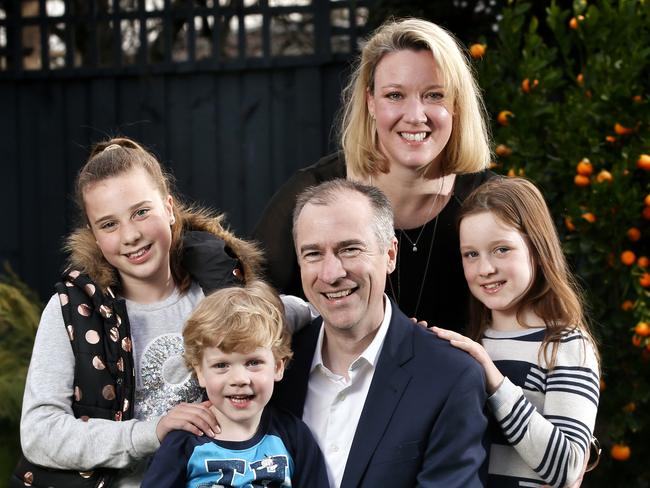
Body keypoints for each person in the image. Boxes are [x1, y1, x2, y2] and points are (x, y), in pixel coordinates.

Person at [17, 137, 264, 488]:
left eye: (141, 212)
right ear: (94, 235)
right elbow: (39, 433)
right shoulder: (72, 312)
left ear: (169, 207)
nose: (130, 235)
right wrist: (149, 433)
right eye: (109, 224)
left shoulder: (219, 294)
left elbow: (286, 318)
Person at [254, 17, 493, 331]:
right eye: (395, 95)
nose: (415, 116)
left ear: (457, 104)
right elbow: (247, 307)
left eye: (434, 95)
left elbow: (546, 319)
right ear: (370, 102)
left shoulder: (487, 204)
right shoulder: (313, 194)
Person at [273, 179, 488, 488]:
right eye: (313, 254)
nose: (331, 274)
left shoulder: (450, 378)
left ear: (390, 254)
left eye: (349, 249)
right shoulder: (272, 368)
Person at [432, 177, 600, 487]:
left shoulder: (565, 345)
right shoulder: (472, 342)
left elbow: (567, 468)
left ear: (536, 248)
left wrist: (493, 381)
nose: (485, 269)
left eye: (501, 250)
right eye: (471, 254)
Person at [141, 281, 329, 487]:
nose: (239, 379)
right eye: (221, 365)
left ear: (277, 367)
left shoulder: (294, 436)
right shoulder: (184, 442)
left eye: (253, 362)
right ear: (200, 373)